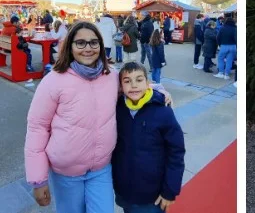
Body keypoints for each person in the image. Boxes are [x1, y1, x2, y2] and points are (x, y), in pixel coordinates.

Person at [24, 23, 115, 212]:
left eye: (93, 42)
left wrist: (160, 92)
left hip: (100, 169)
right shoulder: (54, 80)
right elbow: (37, 127)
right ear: (70, 46)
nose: (88, 48)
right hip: (66, 173)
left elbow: (137, 84)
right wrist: (38, 179)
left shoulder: (111, 76)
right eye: (80, 43)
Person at [112, 62, 184, 213]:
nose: (133, 85)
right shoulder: (118, 109)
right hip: (125, 190)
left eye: (139, 80)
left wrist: (170, 190)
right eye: (127, 81)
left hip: (152, 194)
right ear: (120, 86)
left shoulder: (163, 112)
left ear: (148, 83)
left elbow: (175, 153)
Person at [214, 13, 237, 81]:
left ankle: (221, 73)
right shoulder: (235, 29)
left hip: (224, 46)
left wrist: (219, 44)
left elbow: (218, 37)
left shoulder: (222, 28)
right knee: (229, 60)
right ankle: (226, 75)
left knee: (220, 59)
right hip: (233, 46)